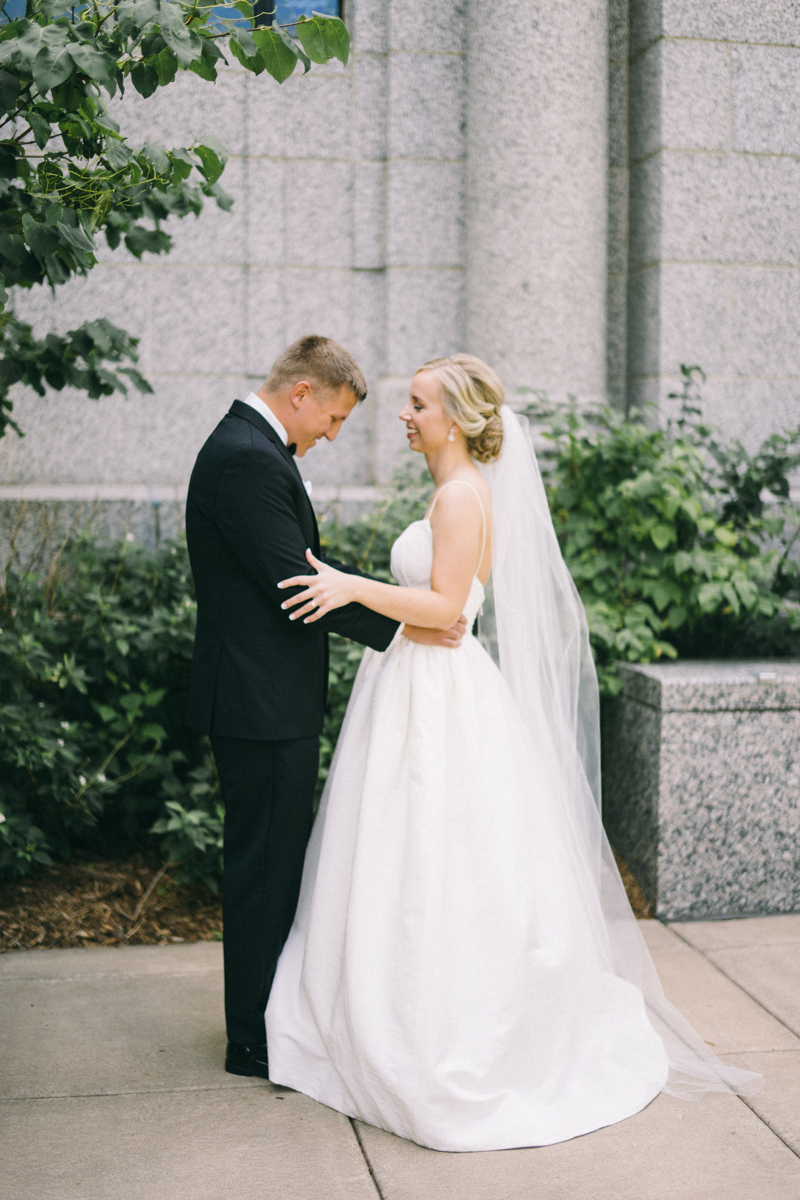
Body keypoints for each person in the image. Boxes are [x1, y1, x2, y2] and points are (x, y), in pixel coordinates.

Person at [265, 353, 761, 1152]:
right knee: (405, 852)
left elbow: (447, 607)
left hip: (438, 697)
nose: (406, 415)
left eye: (418, 404)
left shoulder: (463, 497)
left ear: (455, 419)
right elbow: (438, 618)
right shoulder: (451, 492)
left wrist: (353, 587)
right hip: (414, 681)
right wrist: (386, 599)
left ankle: (436, 1028)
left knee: (443, 856)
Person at [184, 335, 467, 1082]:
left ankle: (269, 1018)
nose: (333, 435)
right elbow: (296, 583)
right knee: (264, 869)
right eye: (333, 419)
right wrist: (415, 622)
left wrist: (397, 610)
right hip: (258, 704)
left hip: (261, 699)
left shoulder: (251, 448)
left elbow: (310, 570)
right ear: (301, 393)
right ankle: (253, 1038)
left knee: (273, 863)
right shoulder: (249, 457)